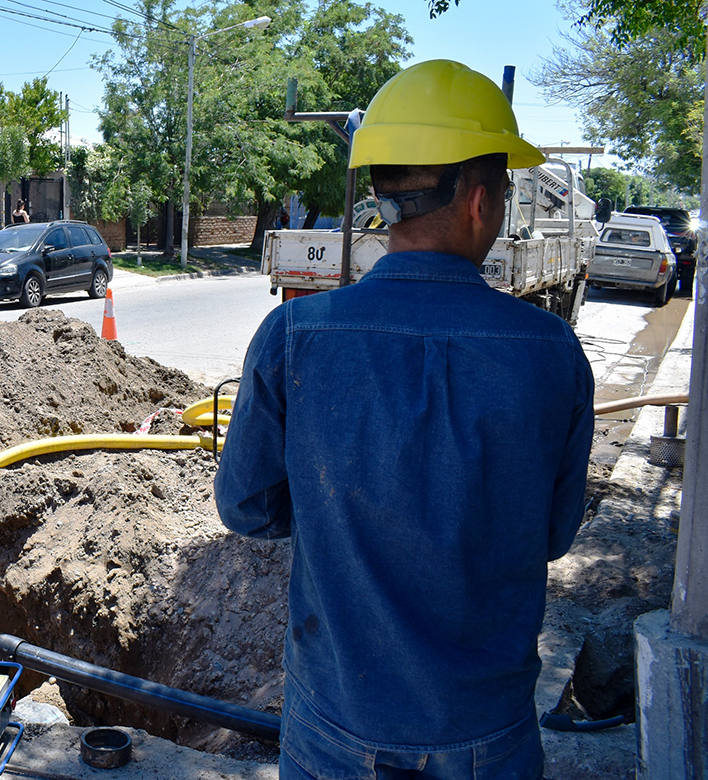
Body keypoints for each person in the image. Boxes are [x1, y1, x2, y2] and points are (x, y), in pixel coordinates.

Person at [214, 60, 593, 780]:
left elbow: (246, 509)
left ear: (384, 197)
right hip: (484, 726)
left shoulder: (294, 336)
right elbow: (550, 533)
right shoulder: (551, 353)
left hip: (334, 719)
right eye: (506, 191)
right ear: (481, 201)